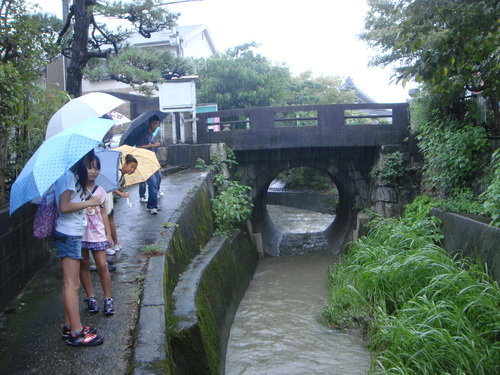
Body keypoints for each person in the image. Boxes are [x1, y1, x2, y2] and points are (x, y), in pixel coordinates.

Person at [54, 150, 104, 346]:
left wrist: (86, 203)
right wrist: (89, 202)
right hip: (69, 235)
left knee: (70, 284)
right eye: (87, 162)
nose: (90, 167)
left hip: (71, 234)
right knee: (71, 285)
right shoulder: (67, 176)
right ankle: (76, 332)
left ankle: (70, 326)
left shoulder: (71, 176)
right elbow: (64, 207)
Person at [79, 153, 116, 316]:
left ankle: (108, 298)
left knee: (102, 265)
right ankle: (90, 297)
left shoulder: (100, 190)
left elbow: (103, 214)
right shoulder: (76, 189)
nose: (93, 171)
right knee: (84, 265)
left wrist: (108, 235)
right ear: (82, 168)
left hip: (97, 234)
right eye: (89, 167)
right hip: (80, 234)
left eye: (96, 168)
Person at [108, 153, 139, 251]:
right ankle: (111, 244)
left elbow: (119, 185)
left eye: (134, 169)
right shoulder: (118, 173)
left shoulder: (121, 174)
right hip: (106, 199)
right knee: (109, 222)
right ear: (125, 164)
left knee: (109, 221)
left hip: (108, 199)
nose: (132, 170)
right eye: (131, 167)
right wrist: (122, 194)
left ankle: (114, 243)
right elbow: (111, 186)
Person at [136, 115, 162, 215]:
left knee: (156, 182)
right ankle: (152, 206)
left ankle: (151, 204)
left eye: (157, 123)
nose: (155, 125)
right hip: (144, 163)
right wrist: (152, 145)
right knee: (152, 182)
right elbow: (138, 147)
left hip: (153, 162)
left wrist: (157, 164)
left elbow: (154, 152)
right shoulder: (143, 134)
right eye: (154, 123)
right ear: (150, 123)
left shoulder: (152, 135)